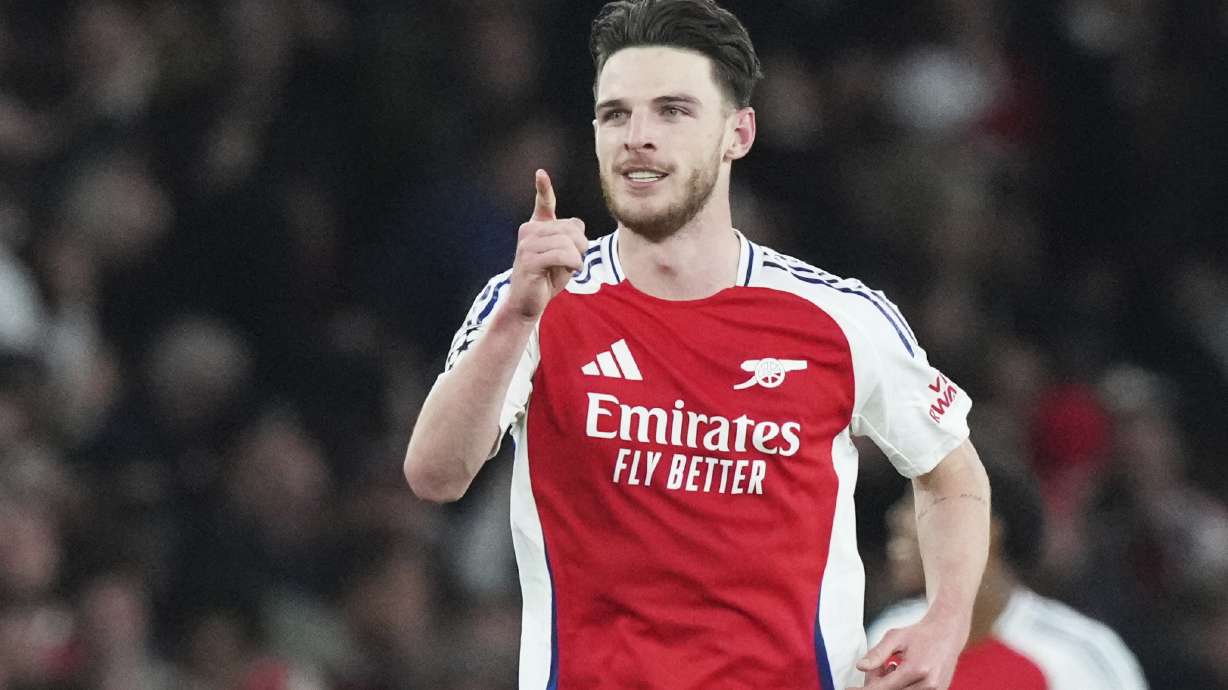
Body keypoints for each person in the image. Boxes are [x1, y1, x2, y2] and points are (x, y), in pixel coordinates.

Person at [403, 1, 991, 688]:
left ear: (737, 132)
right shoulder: (533, 301)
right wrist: (517, 317)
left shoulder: (840, 317)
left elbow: (951, 472)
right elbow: (434, 476)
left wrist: (947, 622)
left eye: (673, 111)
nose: (638, 138)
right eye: (615, 115)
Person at [867, 457, 1148, 690]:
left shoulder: (1075, 653)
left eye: (920, 504)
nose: (897, 519)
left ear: (985, 529)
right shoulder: (888, 635)